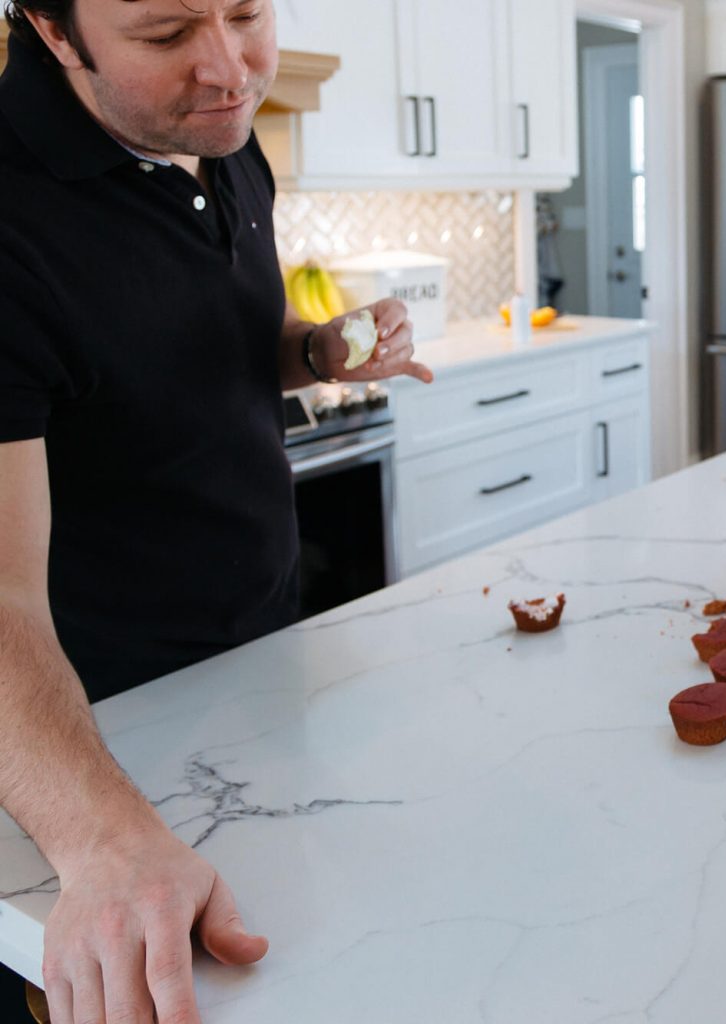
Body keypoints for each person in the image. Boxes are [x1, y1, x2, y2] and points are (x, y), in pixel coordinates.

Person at [0, 1, 432, 1021]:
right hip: (96, 742)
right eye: (166, 35)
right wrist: (103, 841)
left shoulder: (216, 136)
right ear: (55, 31)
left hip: (260, 664)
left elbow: (228, 336)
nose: (230, 69)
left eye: (245, 11)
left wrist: (319, 350)